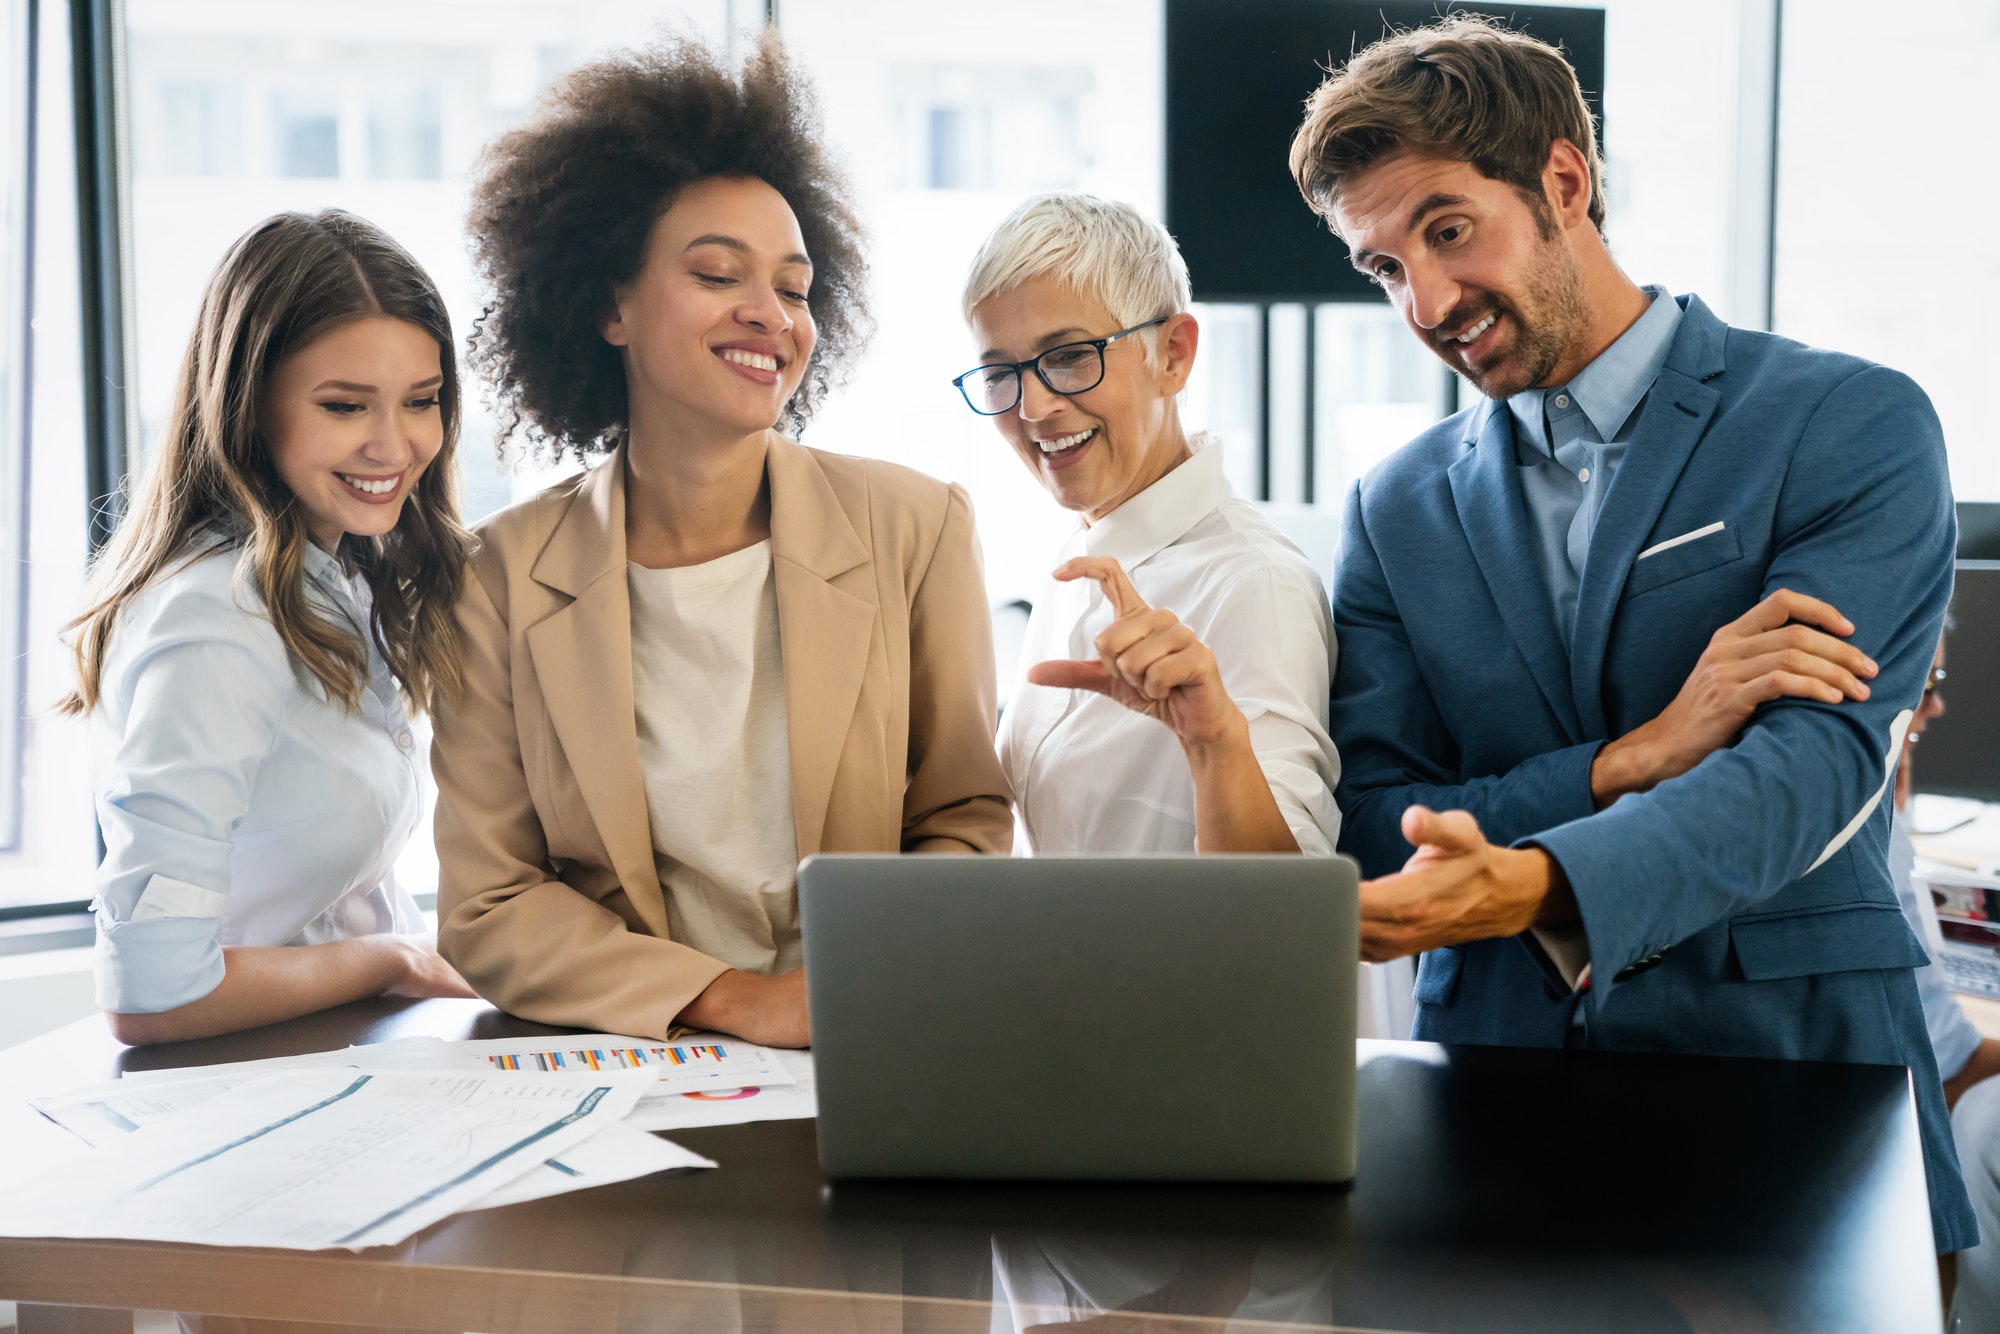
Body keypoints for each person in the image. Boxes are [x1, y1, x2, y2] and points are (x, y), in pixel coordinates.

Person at [1291, 15, 1974, 1251]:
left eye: (1447, 230)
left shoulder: (1843, 421)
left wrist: (1541, 880)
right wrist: (1627, 759)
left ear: (1564, 180)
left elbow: (1809, 766)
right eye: (1384, 268)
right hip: (1492, 1102)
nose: (1428, 301)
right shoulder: (1392, 507)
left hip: (1794, 1090)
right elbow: (1373, 812)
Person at [434, 34, 1012, 1050]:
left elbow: (963, 821)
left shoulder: (916, 527)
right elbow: (489, 903)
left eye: (793, 287)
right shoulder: (497, 576)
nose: (769, 315)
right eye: (716, 272)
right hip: (626, 1066)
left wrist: (854, 987)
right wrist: (737, 1000)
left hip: (867, 1045)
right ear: (607, 304)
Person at [61, 210, 478, 1045]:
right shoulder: (214, 615)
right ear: (250, 408)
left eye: (422, 401)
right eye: (345, 406)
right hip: (236, 1089)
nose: (394, 445)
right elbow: (152, 993)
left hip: (335, 1061)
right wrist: (392, 959)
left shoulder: (338, 577)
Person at [958, 192, 1337, 854]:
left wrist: (1215, 744)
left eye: (1070, 356)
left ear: (1174, 355)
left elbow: (1290, 910)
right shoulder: (1080, 558)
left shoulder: (1256, 587)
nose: (1036, 406)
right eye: (1000, 373)